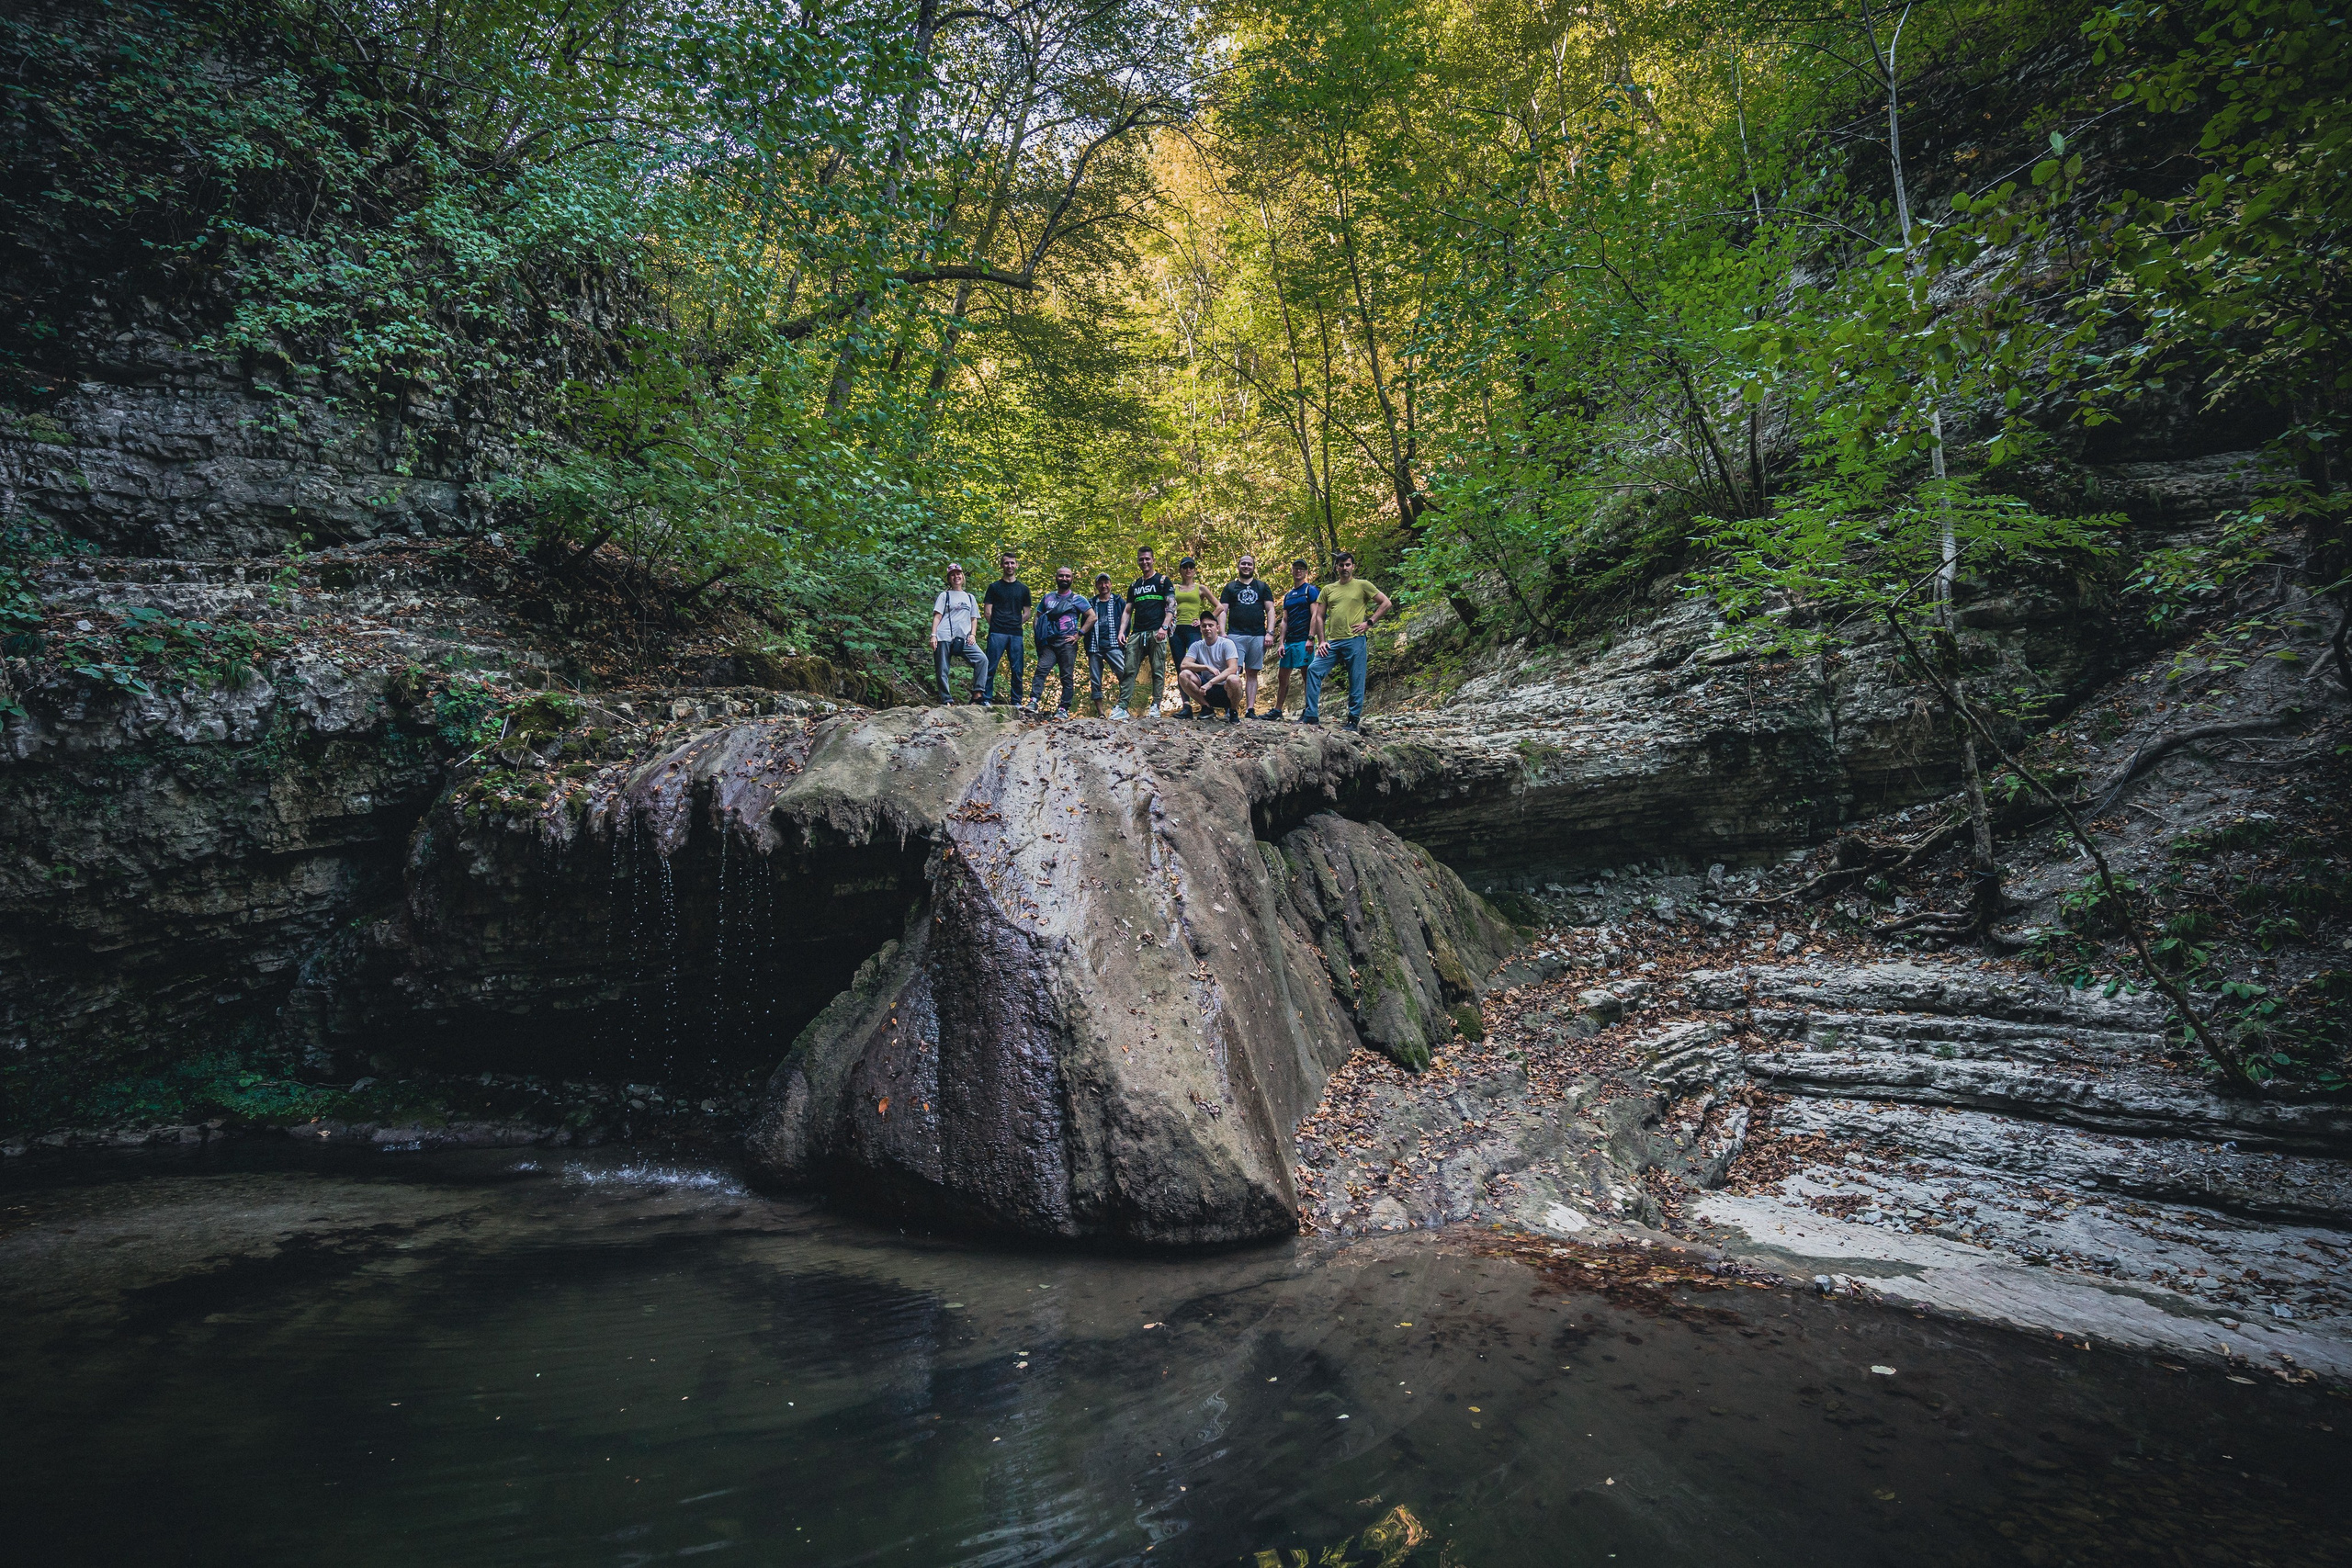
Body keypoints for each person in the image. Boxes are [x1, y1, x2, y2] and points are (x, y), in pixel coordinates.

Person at [1303, 550, 1392, 733]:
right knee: (1313, 669)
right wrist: (1322, 641)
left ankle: (1353, 719)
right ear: (1336, 567)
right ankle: (1311, 715)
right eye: (1341, 565)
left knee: (1356, 678)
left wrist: (1369, 622)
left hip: (1355, 640)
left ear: (1353, 566)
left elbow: (1386, 603)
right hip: (1333, 642)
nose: (1344, 568)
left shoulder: (1363, 585)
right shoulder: (1328, 589)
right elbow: (1319, 616)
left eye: (1348, 565)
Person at [1026, 566, 1095, 716]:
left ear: (1072, 579)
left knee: (1066, 676)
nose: (1064, 578)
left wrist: (1079, 634)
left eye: (1067, 576)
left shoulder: (1078, 599)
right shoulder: (1047, 598)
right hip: (1049, 643)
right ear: (1056, 577)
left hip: (1067, 643)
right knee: (1041, 669)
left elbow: (1092, 616)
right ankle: (1033, 700)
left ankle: (1063, 708)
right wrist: (1039, 634)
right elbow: (1038, 615)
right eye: (1061, 576)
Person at [1217, 553, 1277, 718]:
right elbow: (1223, 610)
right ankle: (1231, 708)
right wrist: (1222, 632)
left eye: (1249, 564)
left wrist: (1270, 632)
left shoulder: (1262, 587)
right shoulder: (1230, 588)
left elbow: (1271, 610)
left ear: (1253, 567)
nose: (1246, 566)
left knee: (1252, 673)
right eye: (1243, 563)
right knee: (1233, 672)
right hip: (1235, 635)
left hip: (1258, 635)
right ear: (1238, 566)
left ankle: (1250, 710)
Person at [1119, 546, 1174, 719]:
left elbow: (1171, 606)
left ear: (1153, 560)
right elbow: (1128, 610)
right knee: (1129, 669)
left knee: (1158, 670)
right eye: (1141, 559)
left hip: (1156, 632)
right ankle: (1122, 707)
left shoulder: (1163, 581)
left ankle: (1156, 706)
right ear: (1138, 561)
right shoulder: (1135, 585)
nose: (1144, 562)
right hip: (1137, 633)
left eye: (1147, 559)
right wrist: (1122, 631)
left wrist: (1164, 627)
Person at [1178, 606, 1246, 724]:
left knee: (1234, 679)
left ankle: (1233, 711)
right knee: (1184, 675)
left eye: (1210, 625)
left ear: (1217, 628)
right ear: (1200, 629)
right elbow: (1184, 665)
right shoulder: (1197, 645)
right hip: (1206, 691)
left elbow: (1232, 668)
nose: (1207, 628)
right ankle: (1207, 707)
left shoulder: (1227, 644)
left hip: (1226, 689)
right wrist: (1205, 667)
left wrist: (1211, 682)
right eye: (1204, 626)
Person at [979, 553, 1031, 707]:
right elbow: (987, 611)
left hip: (1016, 633)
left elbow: (1027, 612)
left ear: (1016, 565)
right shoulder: (994, 587)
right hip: (997, 632)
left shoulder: (1023, 589)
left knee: (1017, 669)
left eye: (1012, 563)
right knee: (990, 666)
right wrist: (996, 624)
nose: (1009, 566)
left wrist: (1015, 622)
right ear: (1001, 565)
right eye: (1006, 563)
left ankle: (1016, 701)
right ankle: (986, 698)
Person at [931, 563, 986, 704]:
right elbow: (937, 616)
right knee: (942, 668)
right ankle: (946, 699)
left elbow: (974, 618)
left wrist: (973, 635)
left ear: (963, 576)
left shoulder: (969, 597)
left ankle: (977, 695)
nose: (956, 577)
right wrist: (933, 635)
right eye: (953, 574)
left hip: (964, 638)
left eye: (958, 573)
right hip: (944, 636)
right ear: (949, 578)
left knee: (982, 660)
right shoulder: (945, 596)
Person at [1272, 558, 1318, 718]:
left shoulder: (1310, 590)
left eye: (1302, 569)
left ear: (1306, 572)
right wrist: (1281, 643)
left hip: (1304, 639)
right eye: (1296, 568)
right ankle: (1278, 710)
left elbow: (1315, 615)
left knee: (1307, 675)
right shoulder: (1288, 596)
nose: (1298, 571)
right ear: (1291, 570)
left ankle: (1309, 710)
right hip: (1290, 642)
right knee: (1282, 675)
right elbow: (1284, 620)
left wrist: (1311, 638)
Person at [1170, 557, 1209, 716]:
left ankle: (1204, 704)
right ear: (1180, 570)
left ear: (1194, 569)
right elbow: (1166, 605)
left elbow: (1219, 606)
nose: (1188, 570)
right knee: (1180, 667)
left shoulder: (1200, 588)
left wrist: (1203, 622)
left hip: (1193, 631)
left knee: (1196, 665)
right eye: (1185, 567)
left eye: (1191, 567)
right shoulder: (1174, 588)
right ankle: (1186, 705)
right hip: (1176, 631)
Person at [1086, 572, 1127, 717]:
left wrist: (1124, 637)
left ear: (1110, 584)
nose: (1104, 586)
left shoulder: (1118, 601)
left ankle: (1122, 707)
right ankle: (1101, 713)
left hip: (1114, 646)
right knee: (1095, 680)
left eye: (1106, 582)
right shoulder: (1091, 603)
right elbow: (1084, 623)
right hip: (1094, 647)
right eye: (1100, 583)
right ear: (1097, 585)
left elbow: (1126, 619)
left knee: (1124, 674)